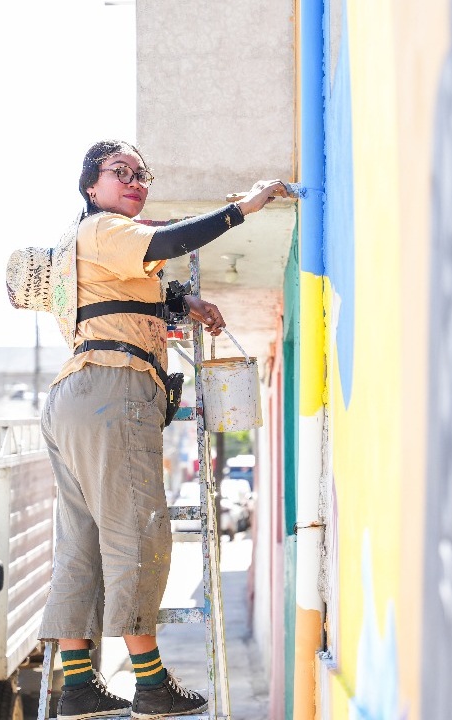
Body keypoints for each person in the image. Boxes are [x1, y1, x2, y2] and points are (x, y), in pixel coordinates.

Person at [37, 139, 286, 720]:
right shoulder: (106, 227)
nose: (135, 182)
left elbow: (123, 296)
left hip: (73, 397)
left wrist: (182, 301)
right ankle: (150, 683)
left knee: (80, 544)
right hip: (113, 392)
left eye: (142, 175)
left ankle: (78, 684)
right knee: (137, 535)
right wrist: (242, 209)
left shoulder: (82, 243)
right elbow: (166, 242)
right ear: (91, 186)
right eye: (120, 172)